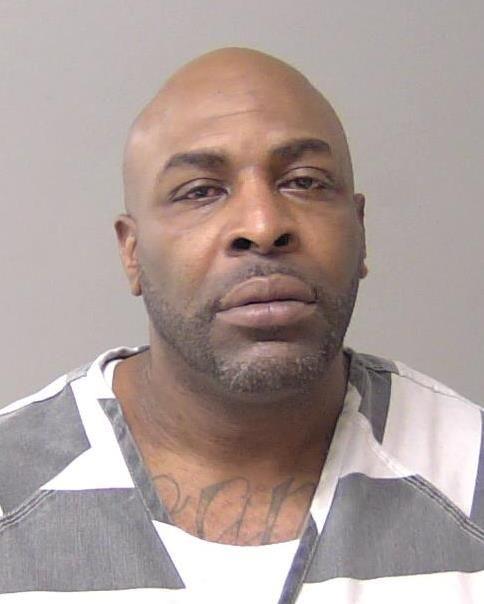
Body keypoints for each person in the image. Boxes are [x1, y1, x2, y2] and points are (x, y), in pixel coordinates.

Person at [0, 47, 482, 603]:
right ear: (132, 252)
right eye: (201, 191)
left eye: (305, 182)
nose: (262, 224)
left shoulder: (470, 473)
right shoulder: (11, 493)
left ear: (360, 230)